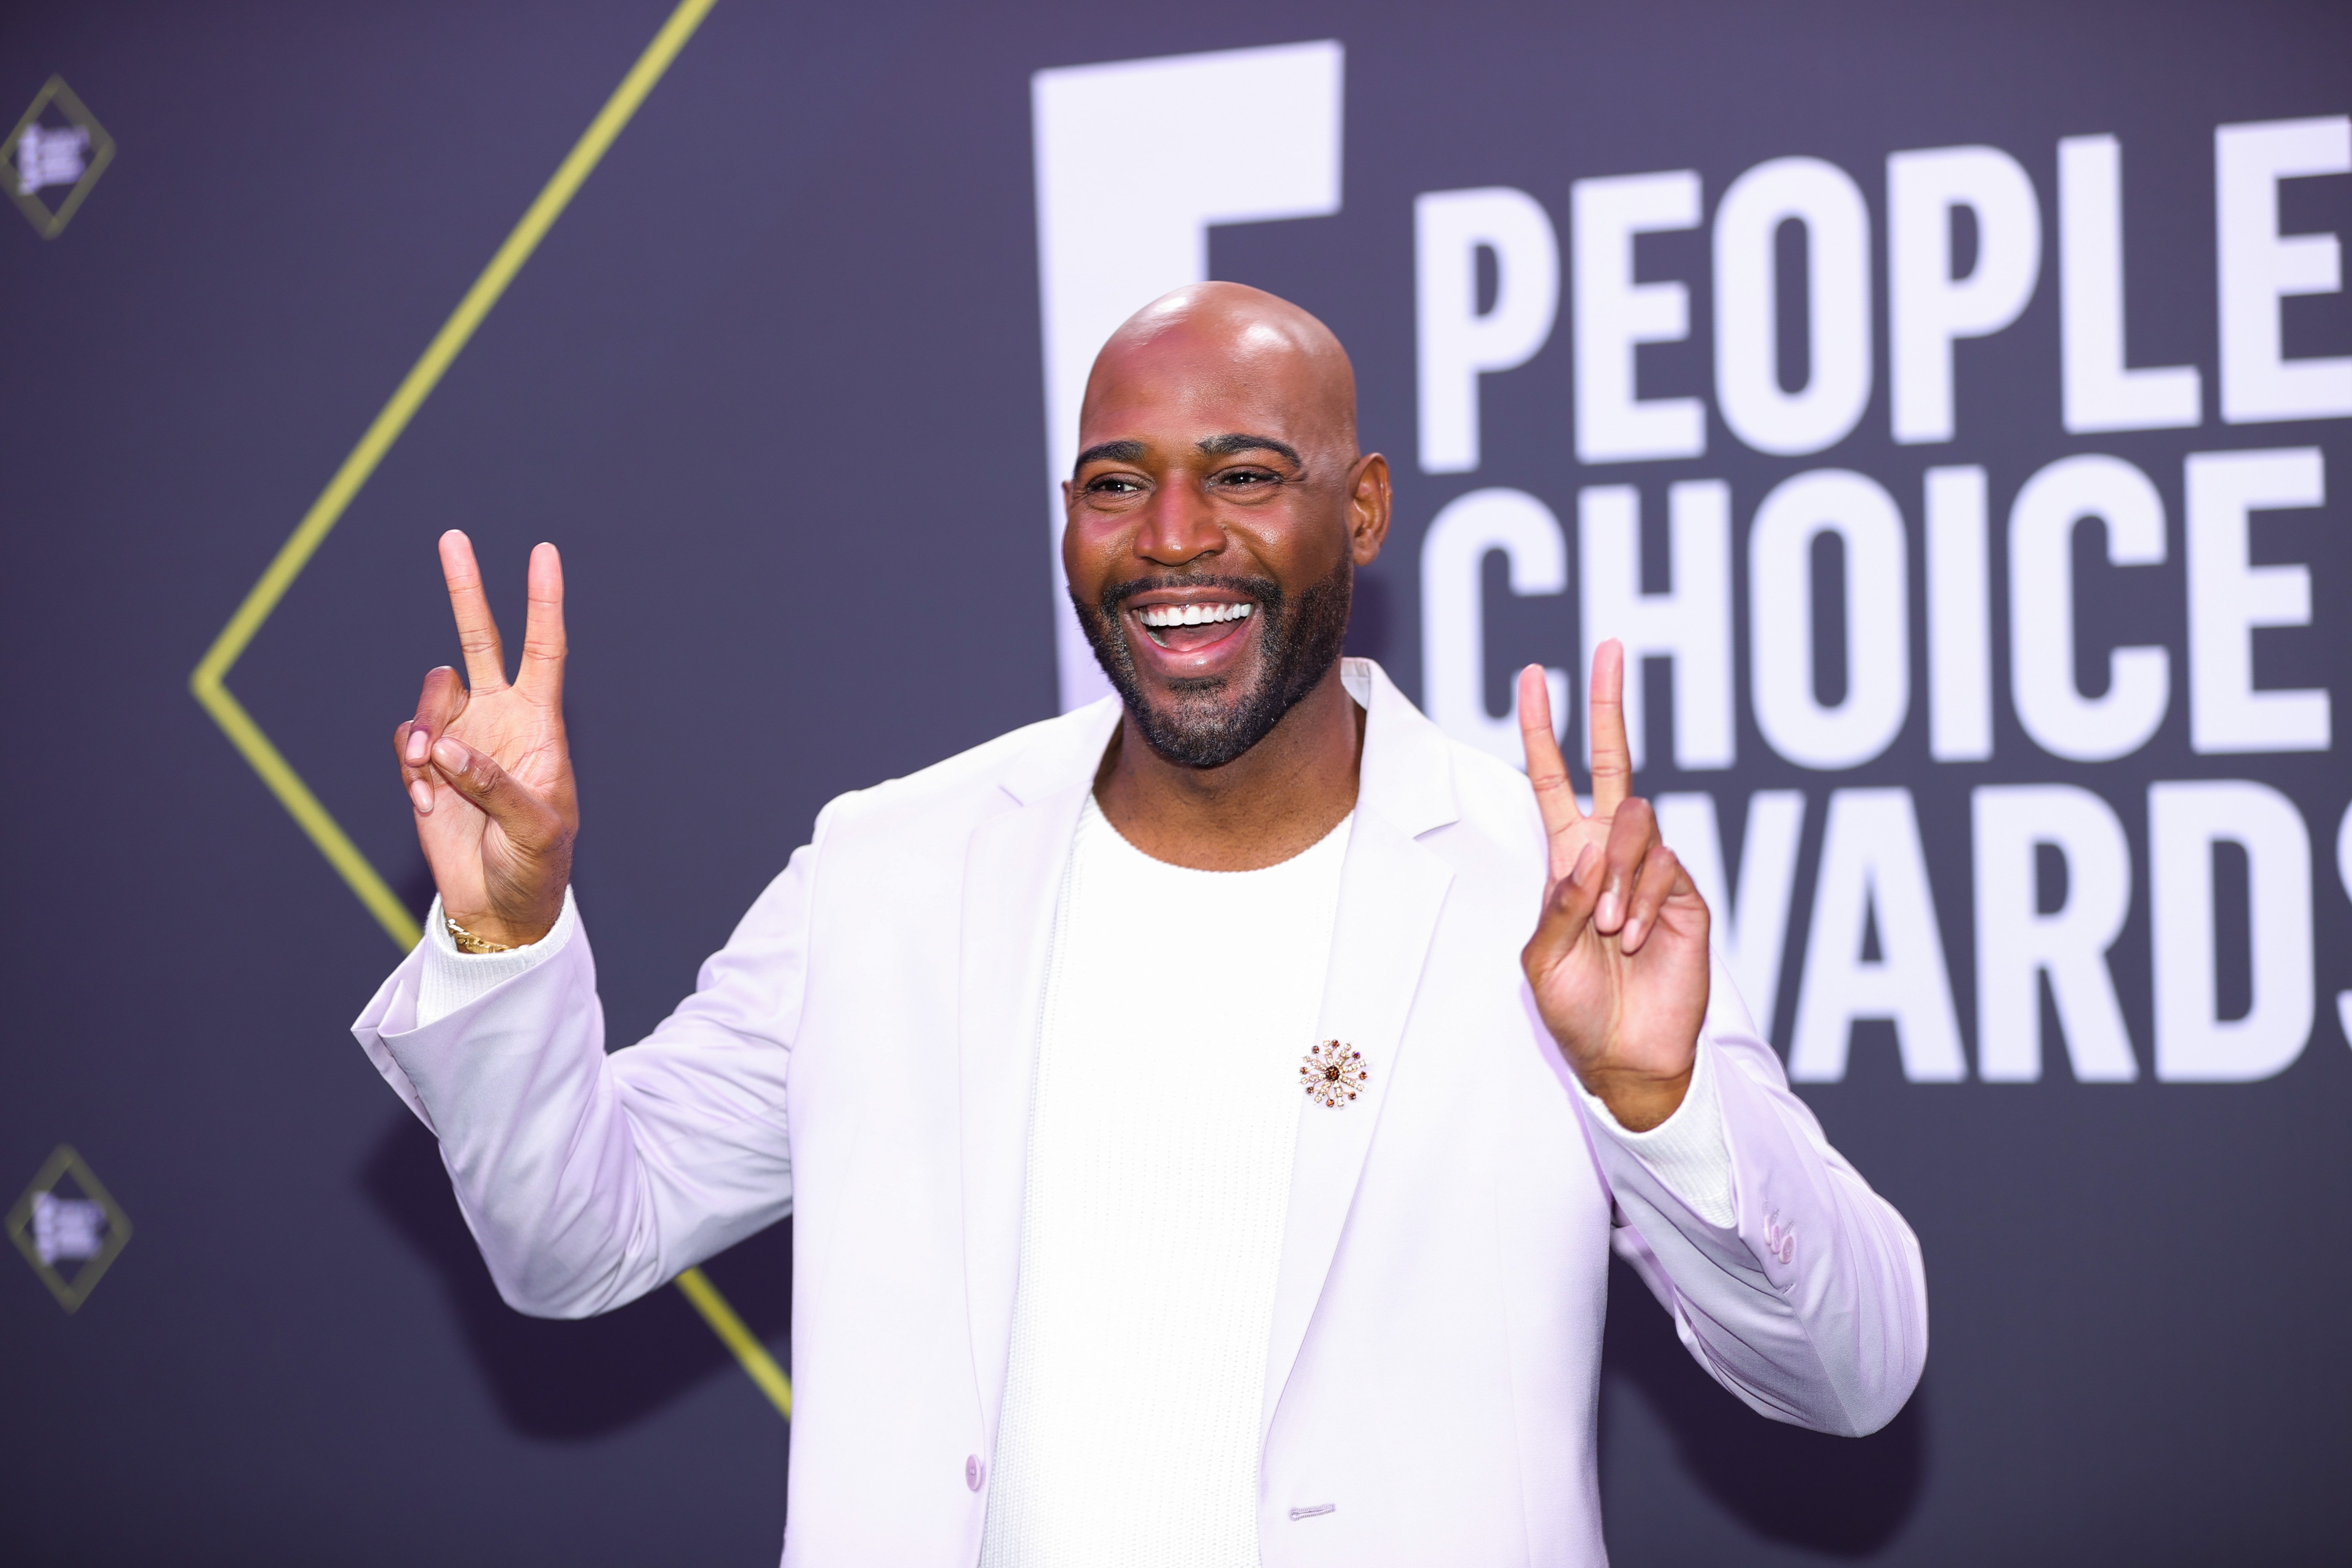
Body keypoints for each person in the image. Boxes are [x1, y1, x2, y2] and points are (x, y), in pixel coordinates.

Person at [353, 282, 1924, 1566]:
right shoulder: (892, 868)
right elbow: (579, 1244)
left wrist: (1661, 1105)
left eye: (1246, 475)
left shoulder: (1540, 888)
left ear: (1362, 511)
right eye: (1119, 483)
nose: (1174, 535)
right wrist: (505, 940)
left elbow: (1852, 1374)